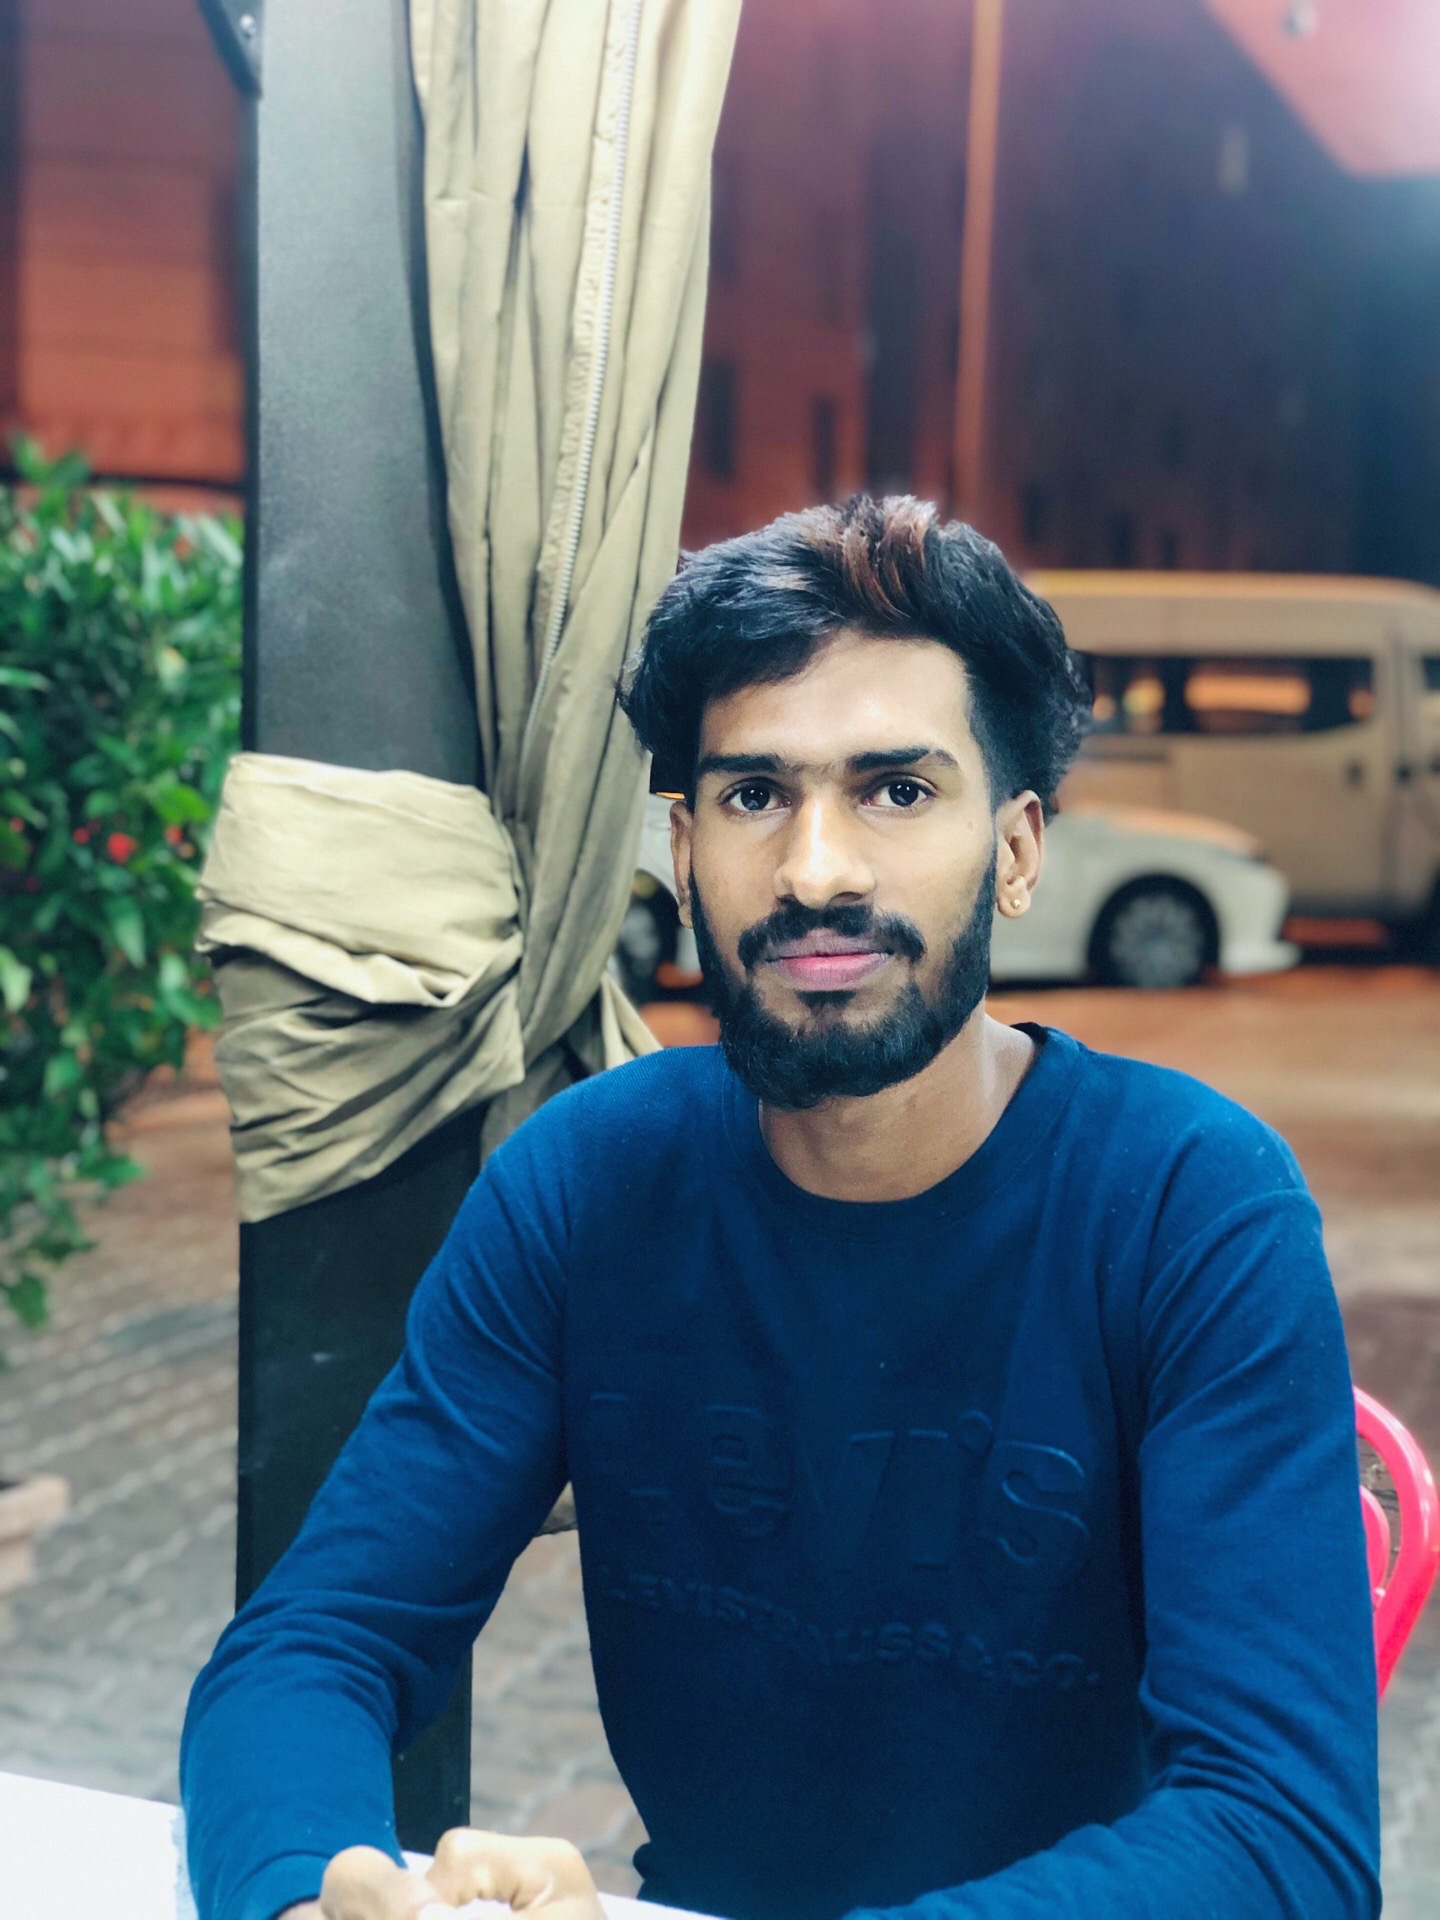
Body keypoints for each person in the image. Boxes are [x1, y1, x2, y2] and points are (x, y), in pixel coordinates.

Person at [182, 497, 1379, 1920]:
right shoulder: (586, 1183)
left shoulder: (1191, 1206)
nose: (817, 872)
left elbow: (1280, 1835)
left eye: (897, 791)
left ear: (1015, 850)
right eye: (754, 796)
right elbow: (313, 1644)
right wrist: (310, 1893)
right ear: (685, 848)